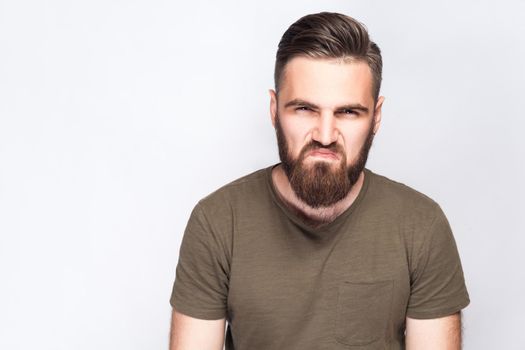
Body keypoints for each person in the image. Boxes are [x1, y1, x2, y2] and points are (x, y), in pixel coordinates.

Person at [168, 11, 470, 350]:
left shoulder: (420, 226)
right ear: (274, 109)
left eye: (348, 112)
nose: (325, 136)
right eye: (304, 109)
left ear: (376, 117)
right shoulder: (218, 222)